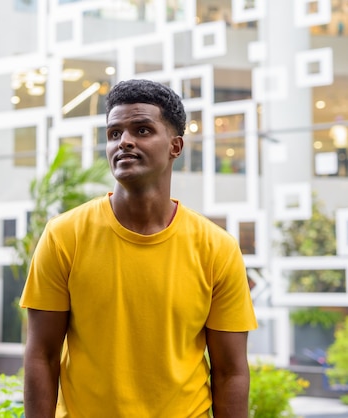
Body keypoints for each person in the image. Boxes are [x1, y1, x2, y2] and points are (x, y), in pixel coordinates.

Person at [19, 79, 258, 417]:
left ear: (176, 146)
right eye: (114, 133)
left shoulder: (217, 248)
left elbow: (230, 371)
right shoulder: (64, 236)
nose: (125, 142)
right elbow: (41, 355)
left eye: (142, 130)